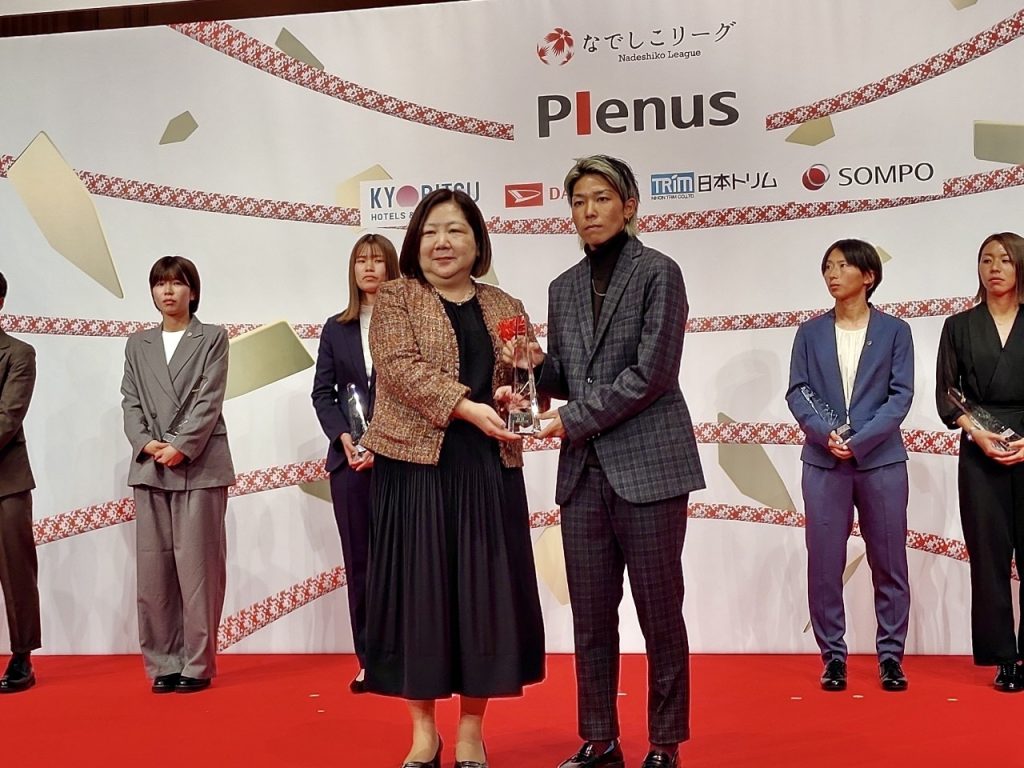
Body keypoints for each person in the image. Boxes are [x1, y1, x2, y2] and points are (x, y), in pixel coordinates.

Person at [507, 155, 704, 768]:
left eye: (600, 198)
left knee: (659, 613)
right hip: (584, 474)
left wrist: (573, 418)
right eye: (578, 201)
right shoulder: (562, 286)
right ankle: (599, 739)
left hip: (650, 468)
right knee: (590, 619)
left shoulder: (659, 272)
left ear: (629, 206)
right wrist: (535, 366)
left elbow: (652, 374)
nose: (588, 211)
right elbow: (571, 377)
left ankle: (665, 743)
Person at [360, 188, 545, 768]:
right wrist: (466, 406)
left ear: (477, 241)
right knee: (418, 599)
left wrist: (517, 392)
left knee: (482, 601)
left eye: (456, 230)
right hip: (414, 467)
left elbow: (523, 379)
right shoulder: (397, 297)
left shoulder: (505, 303)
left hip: (487, 468)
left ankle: (470, 731)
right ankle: (423, 732)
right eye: (431, 231)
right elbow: (399, 368)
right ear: (416, 241)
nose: (443, 242)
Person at [786, 238, 914, 693]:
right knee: (824, 564)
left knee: (889, 561)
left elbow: (900, 396)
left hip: (881, 462)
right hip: (824, 462)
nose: (832, 274)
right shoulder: (809, 333)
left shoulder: (896, 331)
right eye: (827, 266)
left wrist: (859, 440)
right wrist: (825, 433)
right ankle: (833, 658)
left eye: (842, 266)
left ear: (869, 275)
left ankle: (891, 657)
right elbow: (797, 391)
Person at [120, 256, 235, 694]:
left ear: (193, 291)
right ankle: (163, 663)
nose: (168, 291)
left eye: (176, 283)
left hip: (199, 464)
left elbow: (210, 398)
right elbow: (130, 399)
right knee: (154, 573)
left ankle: (197, 663)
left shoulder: (213, 337)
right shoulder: (138, 344)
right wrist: (145, 441)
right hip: (150, 465)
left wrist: (181, 445)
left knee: (199, 570)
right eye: (160, 283)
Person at [936, 232, 1024, 692]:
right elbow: (947, 391)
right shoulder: (959, 326)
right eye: (987, 260)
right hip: (980, 447)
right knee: (988, 558)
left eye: (1005, 260)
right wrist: (976, 432)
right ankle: (1003, 658)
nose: (995, 268)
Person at [311, 232, 399, 693]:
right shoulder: (336, 327)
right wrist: (344, 438)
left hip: (399, 462)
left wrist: (381, 444)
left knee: (402, 562)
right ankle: (369, 659)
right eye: (361, 260)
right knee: (360, 564)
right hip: (349, 465)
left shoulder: (408, 324)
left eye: (377, 260)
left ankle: (406, 655)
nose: (368, 267)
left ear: (391, 267)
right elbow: (322, 394)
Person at [0, 271, 41, 694]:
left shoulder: (18, 353)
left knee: (15, 573)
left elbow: (8, 417)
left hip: (5, 482)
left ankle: (22, 657)